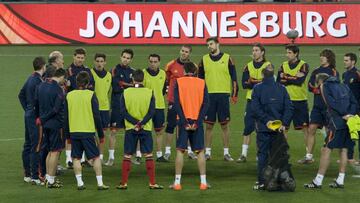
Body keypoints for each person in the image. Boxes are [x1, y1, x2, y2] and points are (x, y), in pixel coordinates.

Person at [304, 73, 357, 189]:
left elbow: (331, 103)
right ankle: (340, 180)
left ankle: (318, 181)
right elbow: (354, 102)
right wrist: (350, 114)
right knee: (344, 149)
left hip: (337, 122)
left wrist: (343, 114)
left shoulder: (324, 86)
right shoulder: (344, 85)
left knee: (326, 149)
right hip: (350, 121)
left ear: (320, 82)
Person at [116, 70, 163, 190]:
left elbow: (123, 111)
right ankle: (152, 183)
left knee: (127, 155)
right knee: (148, 155)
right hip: (145, 128)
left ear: (132, 80)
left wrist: (135, 123)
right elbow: (152, 111)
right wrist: (141, 123)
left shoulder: (125, 92)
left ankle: (124, 183)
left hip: (131, 128)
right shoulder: (149, 92)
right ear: (143, 80)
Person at [64, 71, 109, 190]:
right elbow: (97, 116)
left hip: (74, 131)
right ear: (88, 83)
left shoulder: (69, 95)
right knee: (95, 157)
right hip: (88, 131)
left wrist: (67, 135)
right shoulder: (91, 95)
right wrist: (100, 134)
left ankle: (80, 183)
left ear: (76, 82)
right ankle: (100, 183)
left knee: (76, 158)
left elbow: (66, 117)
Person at [251, 66, 293, 190]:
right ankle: (279, 180)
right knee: (278, 155)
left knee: (263, 154)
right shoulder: (282, 88)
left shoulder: (257, 88)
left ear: (263, 76)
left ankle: (262, 182)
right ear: (273, 75)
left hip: (263, 128)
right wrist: (284, 124)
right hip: (279, 130)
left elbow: (255, 109)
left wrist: (267, 121)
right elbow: (289, 108)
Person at [171, 62, 210, 190]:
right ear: (195, 71)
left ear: (184, 70)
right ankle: (203, 182)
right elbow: (206, 104)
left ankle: (177, 183)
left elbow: (176, 103)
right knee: (200, 152)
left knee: (180, 151)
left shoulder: (179, 82)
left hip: (183, 123)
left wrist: (184, 121)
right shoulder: (202, 83)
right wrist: (197, 122)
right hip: (197, 122)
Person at [198, 37, 239, 161]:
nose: (209, 46)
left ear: (217, 44)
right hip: (209, 96)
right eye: (208, 45)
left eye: (211, 44)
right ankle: (207, 152)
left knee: (224, 125)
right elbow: (199, 81)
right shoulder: (204, 60)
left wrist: (234, 94)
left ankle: (226, 153)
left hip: (223, 95)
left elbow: (234, 78)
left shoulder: (227, 58)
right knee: (208, 126)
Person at [298, 49, 339, 164]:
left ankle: (327, 154)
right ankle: (309, 156)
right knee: (311, 129)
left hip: (328, 107)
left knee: (328, 131)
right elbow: (310, 85)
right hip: (317, 106)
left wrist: (322, 90)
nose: (321, 58)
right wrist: (317, 89)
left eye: (324, 56)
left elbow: (336, 87)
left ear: (329, 58)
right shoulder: (316, 70)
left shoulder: (333, 71)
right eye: (321, 56)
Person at [238, 43, 273, 163]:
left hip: (264, 102)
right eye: (253, 50)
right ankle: (243, 154)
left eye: (256, 50)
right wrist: (258, 82)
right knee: (248, 127)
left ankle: (261, 154)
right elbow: (244, 84)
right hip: (251, 100)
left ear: (262, 52)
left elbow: (269, 82)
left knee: (261, 129)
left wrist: (252, 81)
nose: (254, 52)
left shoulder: (268, 65)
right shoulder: (248, 66)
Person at [163, 45, 197, 160]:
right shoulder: (170, 65)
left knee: (187, 125)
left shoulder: (193, 67)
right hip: (173, 100)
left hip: (187, 102)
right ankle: (167, 151)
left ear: (189, 54)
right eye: (182, 51)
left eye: (186, 52)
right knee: (171, 125)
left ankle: (190, 150)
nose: (183, 53)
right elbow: (166, 80)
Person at [34, 68, 66, 188]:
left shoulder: (40, 86)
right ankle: (51, 180)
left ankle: (48, 178)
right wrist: (44, 118)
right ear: (61, 76)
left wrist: (40, 118)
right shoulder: (59, 89)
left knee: (49, 150)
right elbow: (56, 110)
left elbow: (36, 103)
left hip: (44, 125)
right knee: (55, 151)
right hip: (55, 124)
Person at [277, 44, 310, 157]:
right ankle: (283, 152)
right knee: (283, 127)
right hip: (286, 102)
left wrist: (286, 77)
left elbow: (299, 81)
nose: (287, 55)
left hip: (300, 101)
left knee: (305, 129)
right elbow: (279, 82)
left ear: (296, 53)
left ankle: (308, 154)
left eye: (290, 52)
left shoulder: (304, 65)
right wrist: (293, 77)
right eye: (287, 52)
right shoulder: (283, 65)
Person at [18, 56, 46, 185]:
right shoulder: (38, 81)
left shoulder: (30, 78)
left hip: (29, 115)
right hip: (35, 118)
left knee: (28, 144)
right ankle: (35, 176)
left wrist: (27, 109)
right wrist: (35, 112)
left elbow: (21, 94)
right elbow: (39, 100)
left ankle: (27, 174)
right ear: (43, 66)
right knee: (36, 145)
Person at [106, 49, 135, 166]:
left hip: (129, 106)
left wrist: (125, 85)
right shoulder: (114, 70)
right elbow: (117, 86)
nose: (125, 59)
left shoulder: (133, 71)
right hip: (117, 105)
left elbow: (133, 87)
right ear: (120, 57)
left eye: (128, 58)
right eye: (124, 57)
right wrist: (129, 85)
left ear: (131, 60)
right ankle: (111, 158)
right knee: (113, 131)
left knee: (131, 131)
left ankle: (129, 156)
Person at [66, 48, 95, 168]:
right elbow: (66, 86)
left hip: (84, 103)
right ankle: (69, 159)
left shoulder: (87, 70)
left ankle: (82, 158)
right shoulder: (68, 70)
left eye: (82, 58)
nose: (80, 60)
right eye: (78, 57)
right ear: (74, 57)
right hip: (72, 103)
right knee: (71, 129)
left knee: (81, 129)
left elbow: (93, 85)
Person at [143, 54, 167, 162]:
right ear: (148, 62)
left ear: (159, 62)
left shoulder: (163, 73)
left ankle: (159, 155)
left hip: (159, 107)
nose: (153, 64)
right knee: (143, 131)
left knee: (159, 131)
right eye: (151, 61)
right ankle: (142, 154)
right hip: (146, 107)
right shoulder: (143, 73)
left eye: (155, 61)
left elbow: (163, 90)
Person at [90, 53, 112, 163]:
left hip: (104, 108)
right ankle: (92, 156)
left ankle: (100, 156)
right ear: (94, 61)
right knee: (91, 133)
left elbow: (107, 91)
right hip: (92, 108)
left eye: (101, 61)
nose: (99, 63)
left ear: (105, 62)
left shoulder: (109, 75)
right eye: (97, 61)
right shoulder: (90, 73)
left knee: (102, 133)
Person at [342, 53, 360, 164]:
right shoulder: (345, 74)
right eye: (344, 60)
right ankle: (349, 156)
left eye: (347, 60)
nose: (345, 62)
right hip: (348, 107)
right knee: (348, 131)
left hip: (358, 107)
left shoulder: (357, 74)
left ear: (353, 61)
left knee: (358, 131)